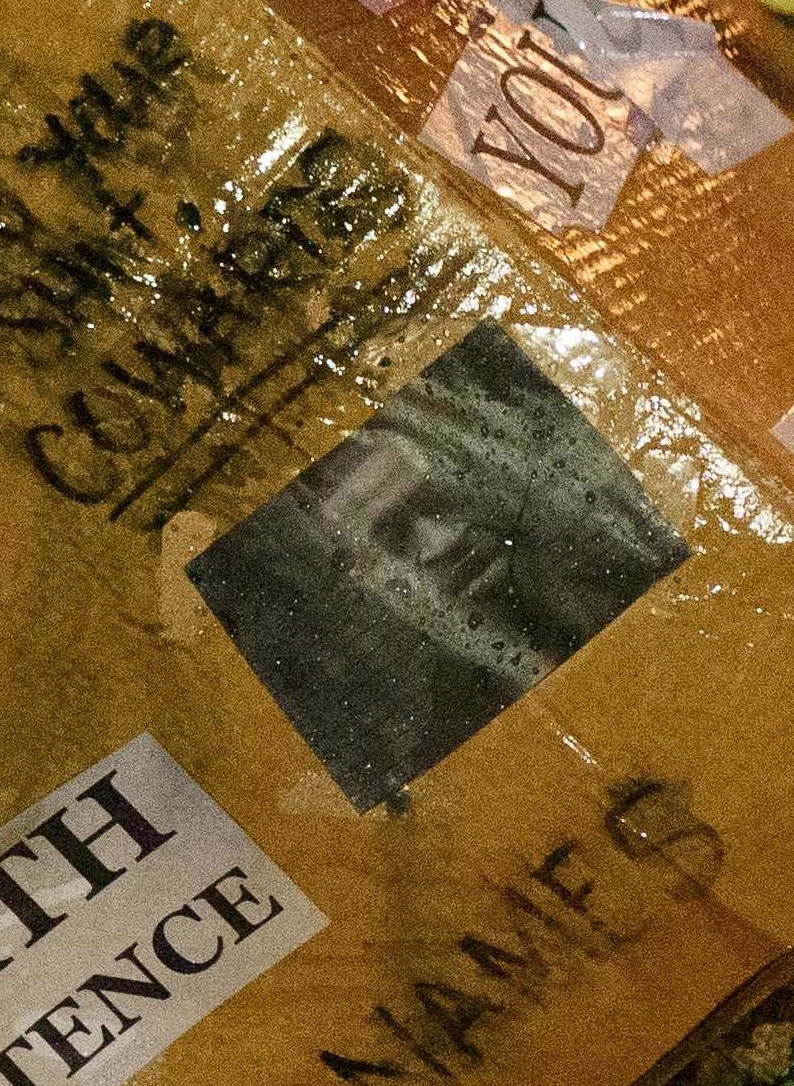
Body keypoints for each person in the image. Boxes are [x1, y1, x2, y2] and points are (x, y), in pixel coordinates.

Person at [196, 327, 683, 810]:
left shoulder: (630, 539)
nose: (443, 538)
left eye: (439, 499)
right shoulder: (445, 761)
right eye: (393, 535)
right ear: (358, 583)